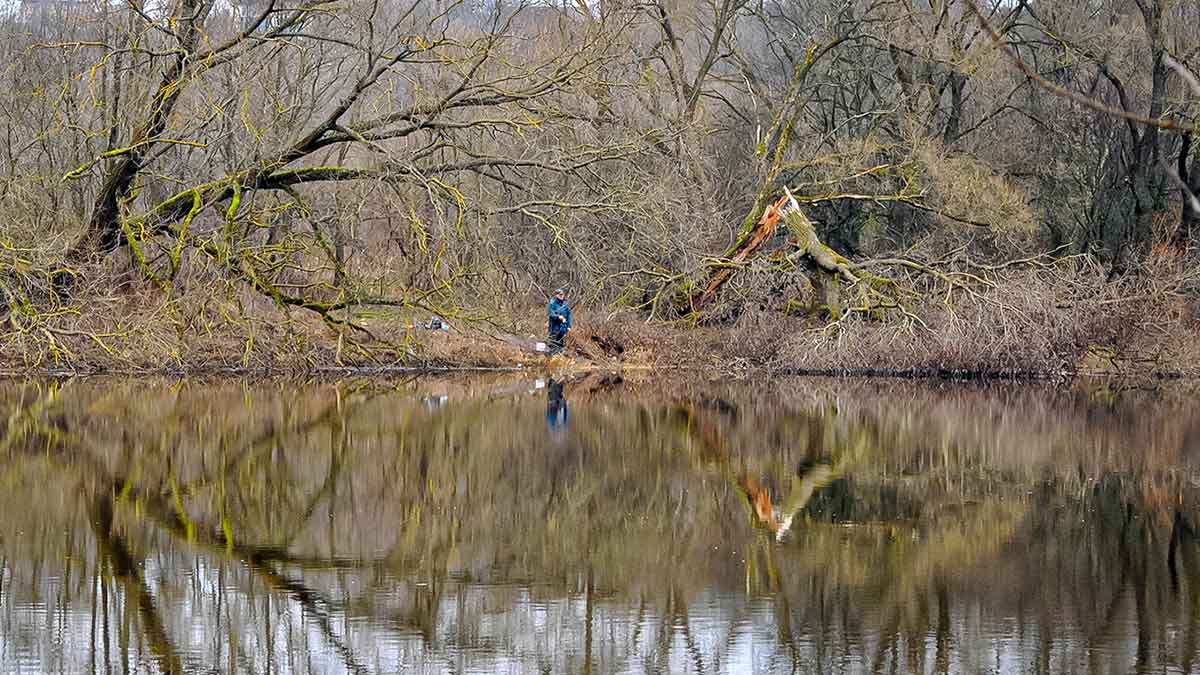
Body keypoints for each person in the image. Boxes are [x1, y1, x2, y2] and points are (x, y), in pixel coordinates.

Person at [546, 288, 572, 355]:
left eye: (562, 294)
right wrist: (558, 317)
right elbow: (550, 313)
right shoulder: (552, 304)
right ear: (555, 295)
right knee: (552, 343)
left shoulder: (565, 304)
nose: (561, 295)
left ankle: (559, 356)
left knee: (561, 343)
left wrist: (569, 326)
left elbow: (569, 315)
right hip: (554, 328)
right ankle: (551, 357)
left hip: (563, 328)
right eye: (559, 294)